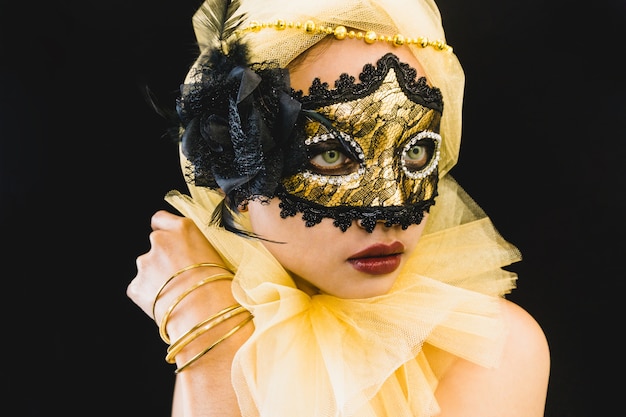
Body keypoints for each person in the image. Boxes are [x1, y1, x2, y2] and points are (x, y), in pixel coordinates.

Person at [127, 0, 550, 416]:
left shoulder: (491, 345)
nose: (389, 212)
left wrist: (208, 339)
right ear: (231, 168)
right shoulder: (229, 319)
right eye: (330, 155)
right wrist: (210, 330)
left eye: (416, 150)